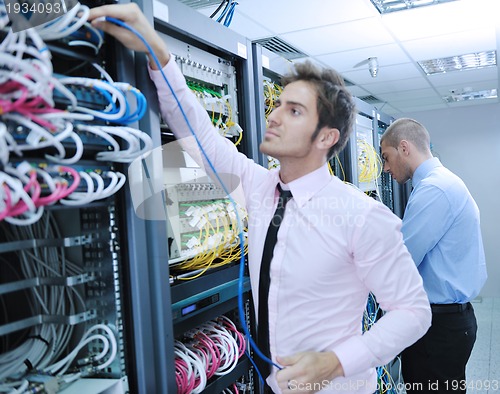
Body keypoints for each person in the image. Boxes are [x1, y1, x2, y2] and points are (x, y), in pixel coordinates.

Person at [88, 5, 431, 393]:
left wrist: (337, 362)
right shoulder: (260, 187)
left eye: (294, 111)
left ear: (325, 138)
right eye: (278, 104)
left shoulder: (361, 216)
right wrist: (156, 51)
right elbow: (201, 137)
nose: (274, 116)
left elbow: (413, 312)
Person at [380, 118, 487, 393]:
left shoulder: (434, 190)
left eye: (387, 157)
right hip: (447, 323)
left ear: (404, 148)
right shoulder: (441, 183)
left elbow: (401, 258)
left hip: (439, 328)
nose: (385, 168)